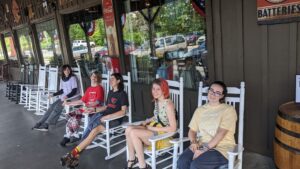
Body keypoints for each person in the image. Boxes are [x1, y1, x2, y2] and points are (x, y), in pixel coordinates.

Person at [60, 73, 129, 168]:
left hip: (114, 119)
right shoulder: (110, 92)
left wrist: (108, 117)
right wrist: (94, 110)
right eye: (110, 78)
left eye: (113, 79)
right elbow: (106, 107)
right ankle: (75, 157)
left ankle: (72, 155)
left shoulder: (122, 94)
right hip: (102, 116)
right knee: (88, 133)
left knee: (93, 131)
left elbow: (123, 112)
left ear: (118, 81)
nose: (110, 80)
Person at [177, 81, 237, 169]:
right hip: (201, 144)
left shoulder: (228, 110)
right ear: (208, 91)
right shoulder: (200, 110)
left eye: (217, 93)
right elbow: (192, 130)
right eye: (211, 90)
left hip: (221, 148)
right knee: (182, 162)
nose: (213, 94)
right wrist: (193, 143)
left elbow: (221, 133)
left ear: (222, 96)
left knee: (196, 165)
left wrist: (202, 150)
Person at [124, 78, 177, 169]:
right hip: (153, 128)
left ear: (164, 90)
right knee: (128, 129)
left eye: (158, 89)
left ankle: (143, 166)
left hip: (163, 135)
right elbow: (157, 116)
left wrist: (153, 128)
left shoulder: (168, 105)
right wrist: (147, 121)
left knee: (133, 132)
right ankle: (132, 159)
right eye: (153, 89)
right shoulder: (157, 100)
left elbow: (173, 128)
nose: (154, 92)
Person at [60, 71, 104, 147]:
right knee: (70, 116)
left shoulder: (99, 88)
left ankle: (71, 136)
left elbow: (97, 102)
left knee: (76, 116)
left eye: (95, 77)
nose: (93, 78)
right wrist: (69, 103)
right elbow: (81, 101)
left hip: (94, 110)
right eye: (92, 76)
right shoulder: (89, 89)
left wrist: (88, 105)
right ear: (90, 77)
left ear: (98, 79)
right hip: (86, 109)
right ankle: (71, 135)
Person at [32, 65, 79, 131]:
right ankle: (40, 122)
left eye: (68, 69)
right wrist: (53, 94)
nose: (67, 71)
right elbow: (62, 90)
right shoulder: (62, 78)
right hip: (64, 98)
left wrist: (67, 96)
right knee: (51, 107)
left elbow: (74, 90)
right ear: (63, 71)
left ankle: (46, 125)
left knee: (57, 108)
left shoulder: (73, 78)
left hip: (72, 97)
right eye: (65, 70)